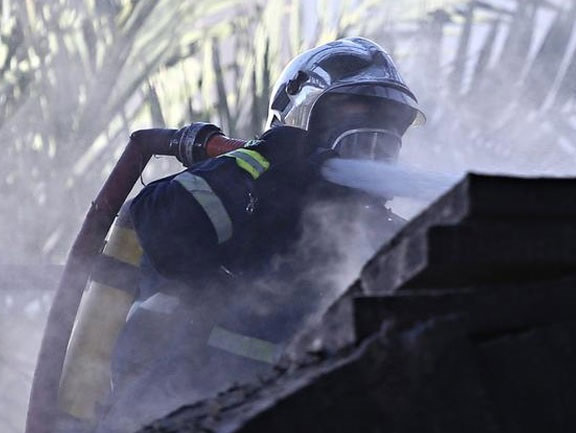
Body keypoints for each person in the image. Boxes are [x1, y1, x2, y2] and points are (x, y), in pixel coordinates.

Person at [97, 36, 424, 432]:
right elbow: (161, 220)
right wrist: (273, 168)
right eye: (355, 118)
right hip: (172, 413)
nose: (371, 146)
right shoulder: (253, 186)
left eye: (386, 131)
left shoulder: (387, 242)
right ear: (303, 119)